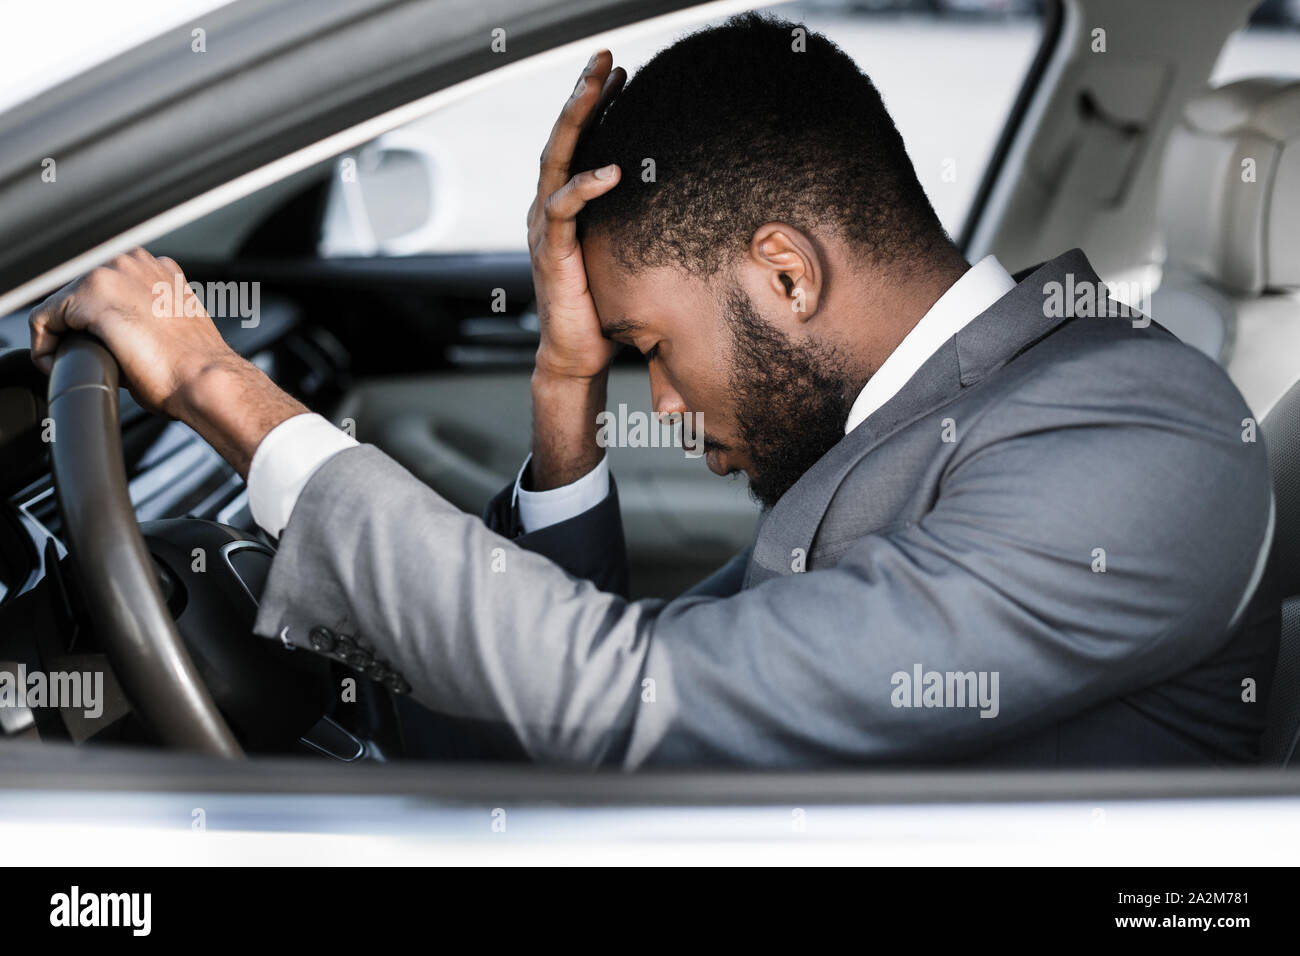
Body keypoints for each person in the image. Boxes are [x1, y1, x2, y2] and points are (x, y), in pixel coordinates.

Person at [29, 14, 1278, 767]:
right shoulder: (935, 419)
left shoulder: (1138, 443)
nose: (666, 408)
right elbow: (589, 696)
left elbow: (638, 703)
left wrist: (214, 381)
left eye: (651, 348)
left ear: (783, 274)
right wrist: (570, 384)